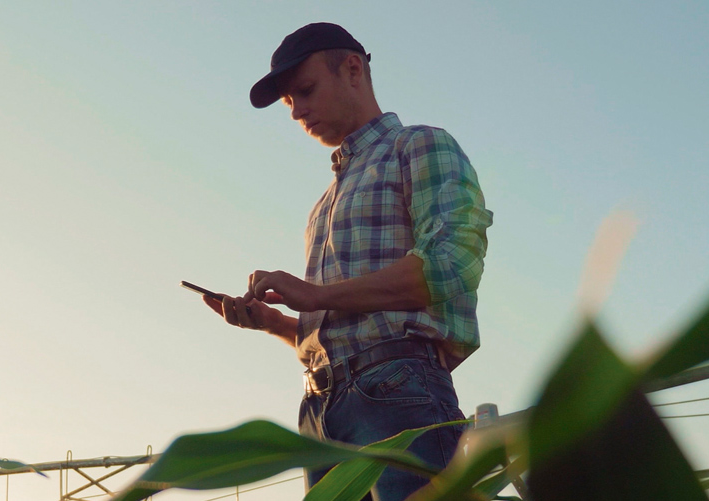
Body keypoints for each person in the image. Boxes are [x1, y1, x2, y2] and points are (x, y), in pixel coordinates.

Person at [202, 22, 493, 500]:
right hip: (319, 411)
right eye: (288, 103)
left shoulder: (419, 146)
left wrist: (315, 294)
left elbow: (451, 266)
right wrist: (275, 323)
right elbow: (347, 327)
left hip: (397, 393)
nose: (296, 110)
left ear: (353, 69)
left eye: (305, 90)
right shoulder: (322, 205)